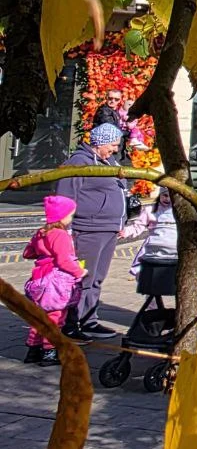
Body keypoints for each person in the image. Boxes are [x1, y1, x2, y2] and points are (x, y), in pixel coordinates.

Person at [54, 123, 125, 341]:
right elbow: (65, 196)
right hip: (89, 229)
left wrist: (121, 221)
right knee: (84, 277)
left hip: (109, 228)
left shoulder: (109, 161)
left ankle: (88, 320)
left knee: (97, 278)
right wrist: (63, 229)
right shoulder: (79, 162)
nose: (115, 149)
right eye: (112, 145)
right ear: (100, 143)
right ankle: (72, 322)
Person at [22, 195, 84, 366]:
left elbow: (28, 253)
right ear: (62, 216)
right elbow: (64, 260)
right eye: (70, 215)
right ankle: (49, 351)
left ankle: (33, 350)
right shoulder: (60, 234)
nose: (71, 218)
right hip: (55, 280)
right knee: (56, 316)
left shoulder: (42, 232)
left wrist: (42, 252)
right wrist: (79, 272)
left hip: (39, 278)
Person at [92, 87, 131, 160]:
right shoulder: (104, 112)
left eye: (116, 99)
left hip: (117, 147)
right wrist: (129, 133)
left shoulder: (115, 111)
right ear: (106, 98)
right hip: (108, 149)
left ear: (120, 100)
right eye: (110, 98)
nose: (113, 101)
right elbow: (112, 130)